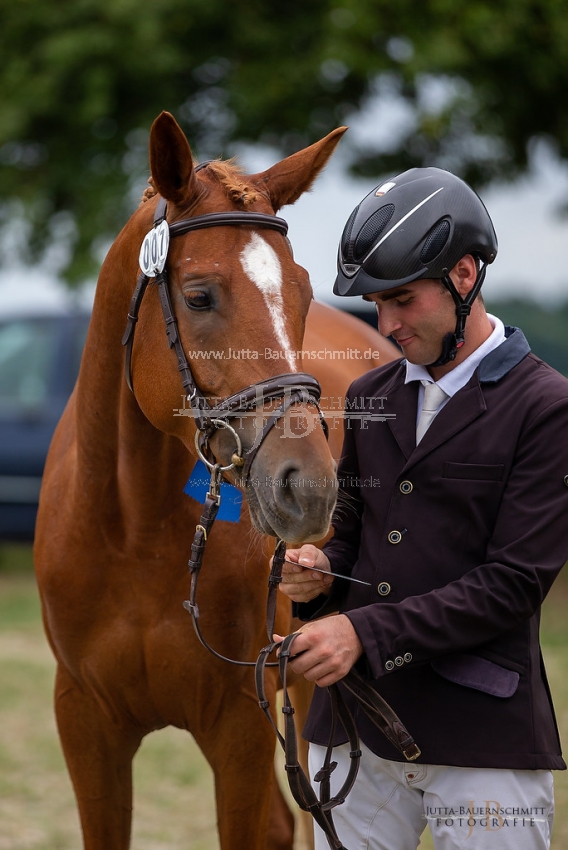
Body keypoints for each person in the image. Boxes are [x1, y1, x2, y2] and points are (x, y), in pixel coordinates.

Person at [275, 167, 568, 850]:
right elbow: (352, 537)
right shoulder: (372, 395)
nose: (387, 324)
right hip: (353, 730)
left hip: (481, 736)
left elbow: (515, 583)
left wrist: (363, 634)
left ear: (465, 275)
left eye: (403, 300)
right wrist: (318, 573)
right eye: (377, 304)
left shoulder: (548, 407)